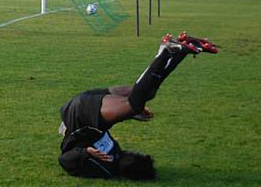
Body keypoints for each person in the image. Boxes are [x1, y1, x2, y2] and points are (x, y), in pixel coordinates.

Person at [58, 32, 218, 180]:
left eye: (138, 156)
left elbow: (64, 160)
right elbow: (101, 126)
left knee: (134, 104)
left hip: (80, 115)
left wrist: (85, 152)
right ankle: (180, 51)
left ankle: (165, 51)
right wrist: (130, 114)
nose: (136, 153)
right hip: (85, 110)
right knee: (146, 94)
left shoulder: (107, 169)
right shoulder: (116, 153)